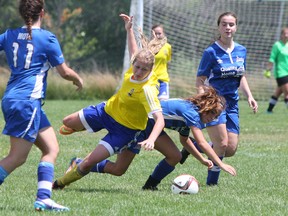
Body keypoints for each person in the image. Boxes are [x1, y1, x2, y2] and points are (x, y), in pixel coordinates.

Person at [52, 13, 165, 190]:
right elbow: (133, 49)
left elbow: (160, 119)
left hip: (125, 130)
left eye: (144, 69)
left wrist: (151, 139)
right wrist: (128, 30)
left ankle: (58, 184)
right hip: (106, 111)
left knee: (91, 162)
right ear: (133, 63)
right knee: (67, 121)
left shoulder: (148, 89)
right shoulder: (134, 65)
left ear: (151, 69)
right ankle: (79, 131)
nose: (139, 71)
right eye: (137, 66)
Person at [57, 86, 236, 191]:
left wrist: (203, 160)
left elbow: (184, 141)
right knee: (119, 167)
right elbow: (203, 142)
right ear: (205, 107)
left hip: (150, 128)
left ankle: (150, 187)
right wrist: (221, 164)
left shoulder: (194, 117)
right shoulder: (192, 114)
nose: (214, 118)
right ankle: (81, 162)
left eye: (217, 115)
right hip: (138, 125)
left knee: (122, 169)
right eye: (213, 113)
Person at [0, 0, 83, 212]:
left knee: (51, 148)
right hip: (27, 102)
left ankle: (44, 198)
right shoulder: (47, 38)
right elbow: (64, 72)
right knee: (17, 157)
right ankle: (43, 198)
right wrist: (78, 80)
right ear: (42, 13)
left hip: (18, 100)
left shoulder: (8, 35)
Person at [181, 12, 258, 186]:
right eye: (224, 24)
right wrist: (204, 100)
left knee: (230, 149)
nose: (228, 28)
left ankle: (195, 146)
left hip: (233, 104)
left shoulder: (241, 50)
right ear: (218, 27)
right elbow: (200, 79)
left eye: (231, 24)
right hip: (215, 103)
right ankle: (212, 182)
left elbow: (241, 76)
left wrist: (250, 96)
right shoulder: (211, 52)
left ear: (236, 27)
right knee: (221, 144)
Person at [265, 27, 288, 113]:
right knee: (287, 93)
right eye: (284, 33)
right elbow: (272, 58)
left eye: (287, 33)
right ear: (281, 35)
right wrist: (268, 70)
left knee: (278, 92)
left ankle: (269, 110)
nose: (286, 35)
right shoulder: (277, 45)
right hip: (281, 73)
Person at [151, 24, 172, 100]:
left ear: (164, 34)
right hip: (151, 80)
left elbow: (168, 63)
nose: (157, 36)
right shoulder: (148, 47)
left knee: (163, 104)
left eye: (159, 33)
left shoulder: (168, 47)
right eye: (155, 34)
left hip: (163, 80)